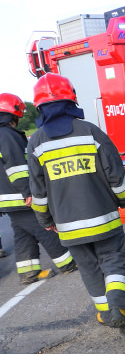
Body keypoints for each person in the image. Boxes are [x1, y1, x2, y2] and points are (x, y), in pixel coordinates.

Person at [27, 74, 125, 334]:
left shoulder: (36, 143)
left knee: (88, 267)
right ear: (71, 99)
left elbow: (38, 193)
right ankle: (119, 305)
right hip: (104, 219)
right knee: (113, 258)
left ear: (39, 106)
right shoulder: (91, 132)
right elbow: (115, 175)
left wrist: (45, 221)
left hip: (67, 225)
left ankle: (105, 314)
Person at [0, 93, 78, 284]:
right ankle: (67, 264)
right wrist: (28, 192)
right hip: (19, 195)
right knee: (44, 228)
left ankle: (29, 273)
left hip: (7, 197)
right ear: (14, 114)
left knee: (23, 234)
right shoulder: (7, 135)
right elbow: (17, 167)